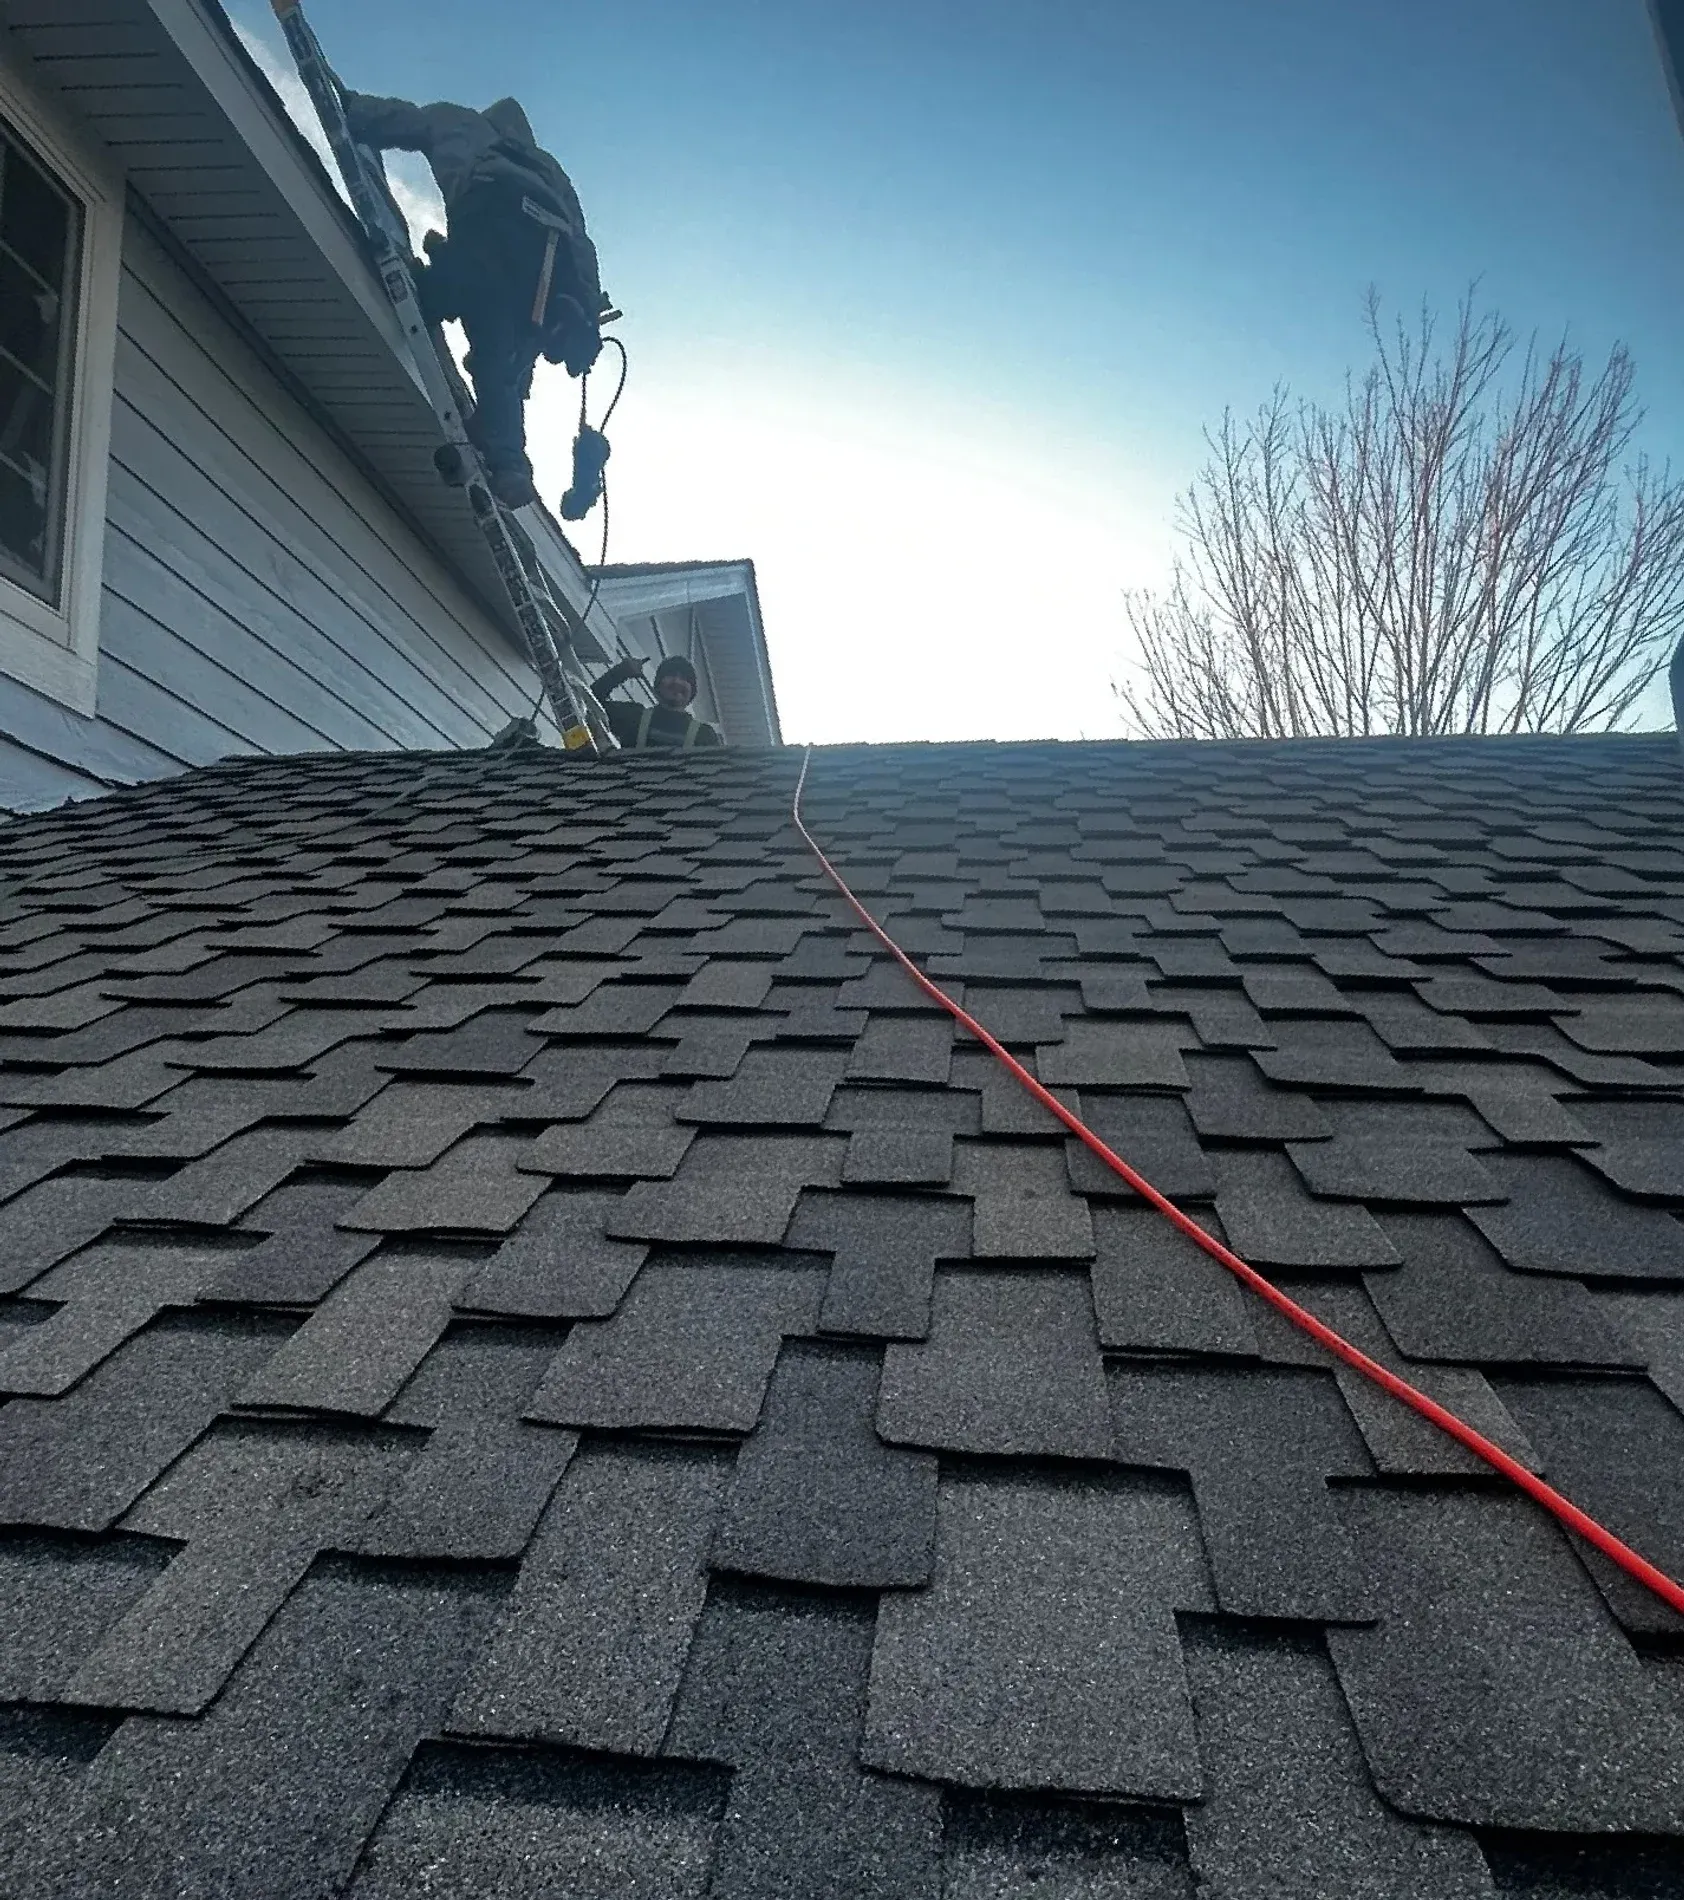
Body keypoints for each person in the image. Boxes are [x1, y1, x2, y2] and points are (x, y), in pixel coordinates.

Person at [339, 87, 605, 508]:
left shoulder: (462, 123)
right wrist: (585, 313)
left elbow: (406, 119)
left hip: (490, 233)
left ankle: (504, 449)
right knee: (508, 363)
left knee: (435, 300)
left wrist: (352, 107)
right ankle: (507, 456)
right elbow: (583, 244)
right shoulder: (550, 170)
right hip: (548, 271)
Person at [590, 654, 722, 750]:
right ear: (657, 686)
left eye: (684, 678)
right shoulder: (633, 717)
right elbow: (589, 703)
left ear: (692, 692)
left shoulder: (704, 735)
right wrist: (620, 672)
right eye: (670, 675)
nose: (677, 681)